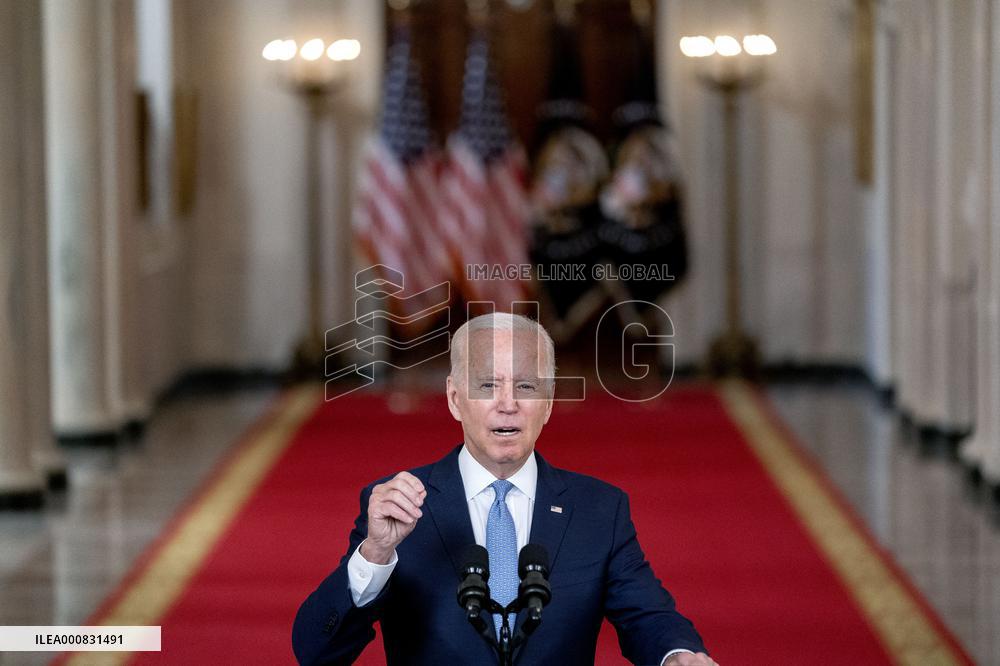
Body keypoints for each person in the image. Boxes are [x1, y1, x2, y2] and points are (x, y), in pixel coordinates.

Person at [293, 313, 715, 666]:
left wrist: (676, 655)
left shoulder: (600, 510)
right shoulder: (398, 507)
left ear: (549, 402)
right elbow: (316, 651)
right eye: (487, 386)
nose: (507, 403)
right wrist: (375, 555)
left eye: (526, 386)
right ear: (455, 398)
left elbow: (649, 616)